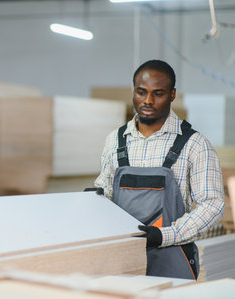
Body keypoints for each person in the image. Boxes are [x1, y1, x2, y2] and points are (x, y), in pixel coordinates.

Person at [94, 59, 225, 280]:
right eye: (141, 92)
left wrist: (166, 235)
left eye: (158, 93)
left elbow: (213, 205)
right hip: (122, 259)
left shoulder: (195, 144)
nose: (148, 100)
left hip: (172, 257)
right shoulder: (115, 140)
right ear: (133, 91)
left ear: (172, 95)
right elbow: (105, 189)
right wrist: (95, 198)